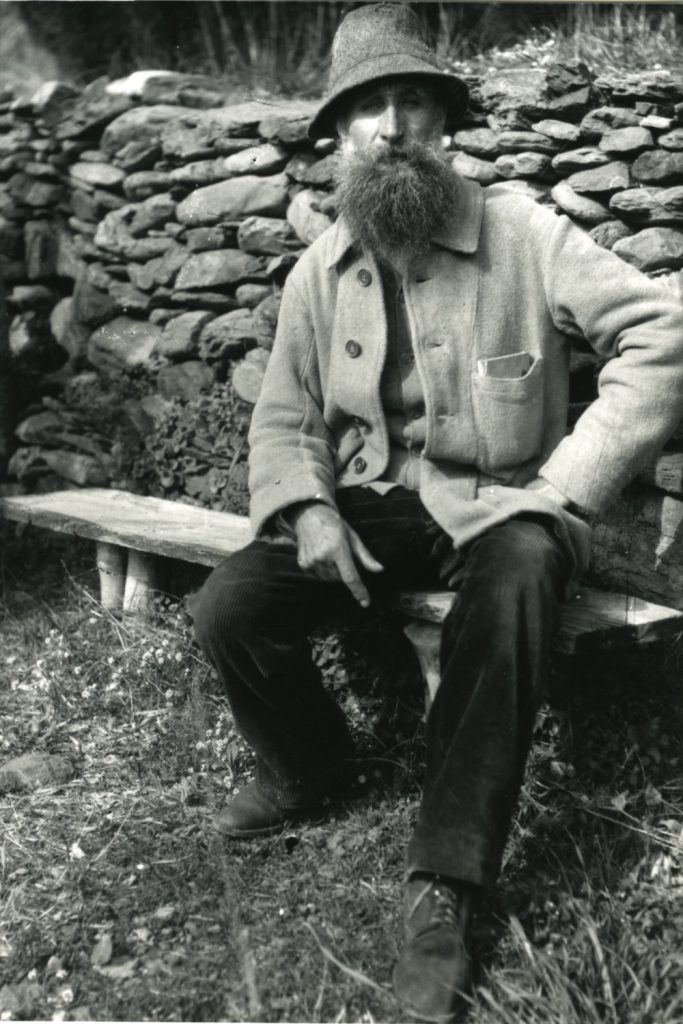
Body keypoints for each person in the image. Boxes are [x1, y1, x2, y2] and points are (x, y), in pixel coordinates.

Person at [192, 4, 683, 1019]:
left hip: (504, 503)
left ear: (439, 122)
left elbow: (662, 339)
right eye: (365, 107)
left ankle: (447, 881)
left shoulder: (522, 234)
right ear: (336, 137)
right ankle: (307, 768)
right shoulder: (316, 272)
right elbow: (284, 418)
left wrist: (567, 487)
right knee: (231, 607)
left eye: (409, 100)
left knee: (513, 587)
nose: (389, 125)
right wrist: (307, 508)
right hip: (375, 502)